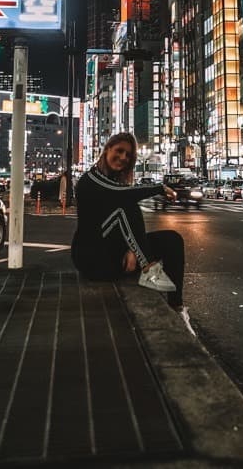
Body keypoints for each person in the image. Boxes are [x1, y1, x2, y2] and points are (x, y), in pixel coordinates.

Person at [71, 132, 194, 334]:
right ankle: (146, 265)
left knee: (173, 239)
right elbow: (122, 198)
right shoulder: (90, 180)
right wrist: (160, 188)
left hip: (112, 254)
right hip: (91, 259)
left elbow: (118, 219)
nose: (123, 158)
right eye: (119, 151)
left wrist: (131, 248)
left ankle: (176, 306)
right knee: (126, 203)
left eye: (128, 155)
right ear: (107, 149)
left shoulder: (114, 182)